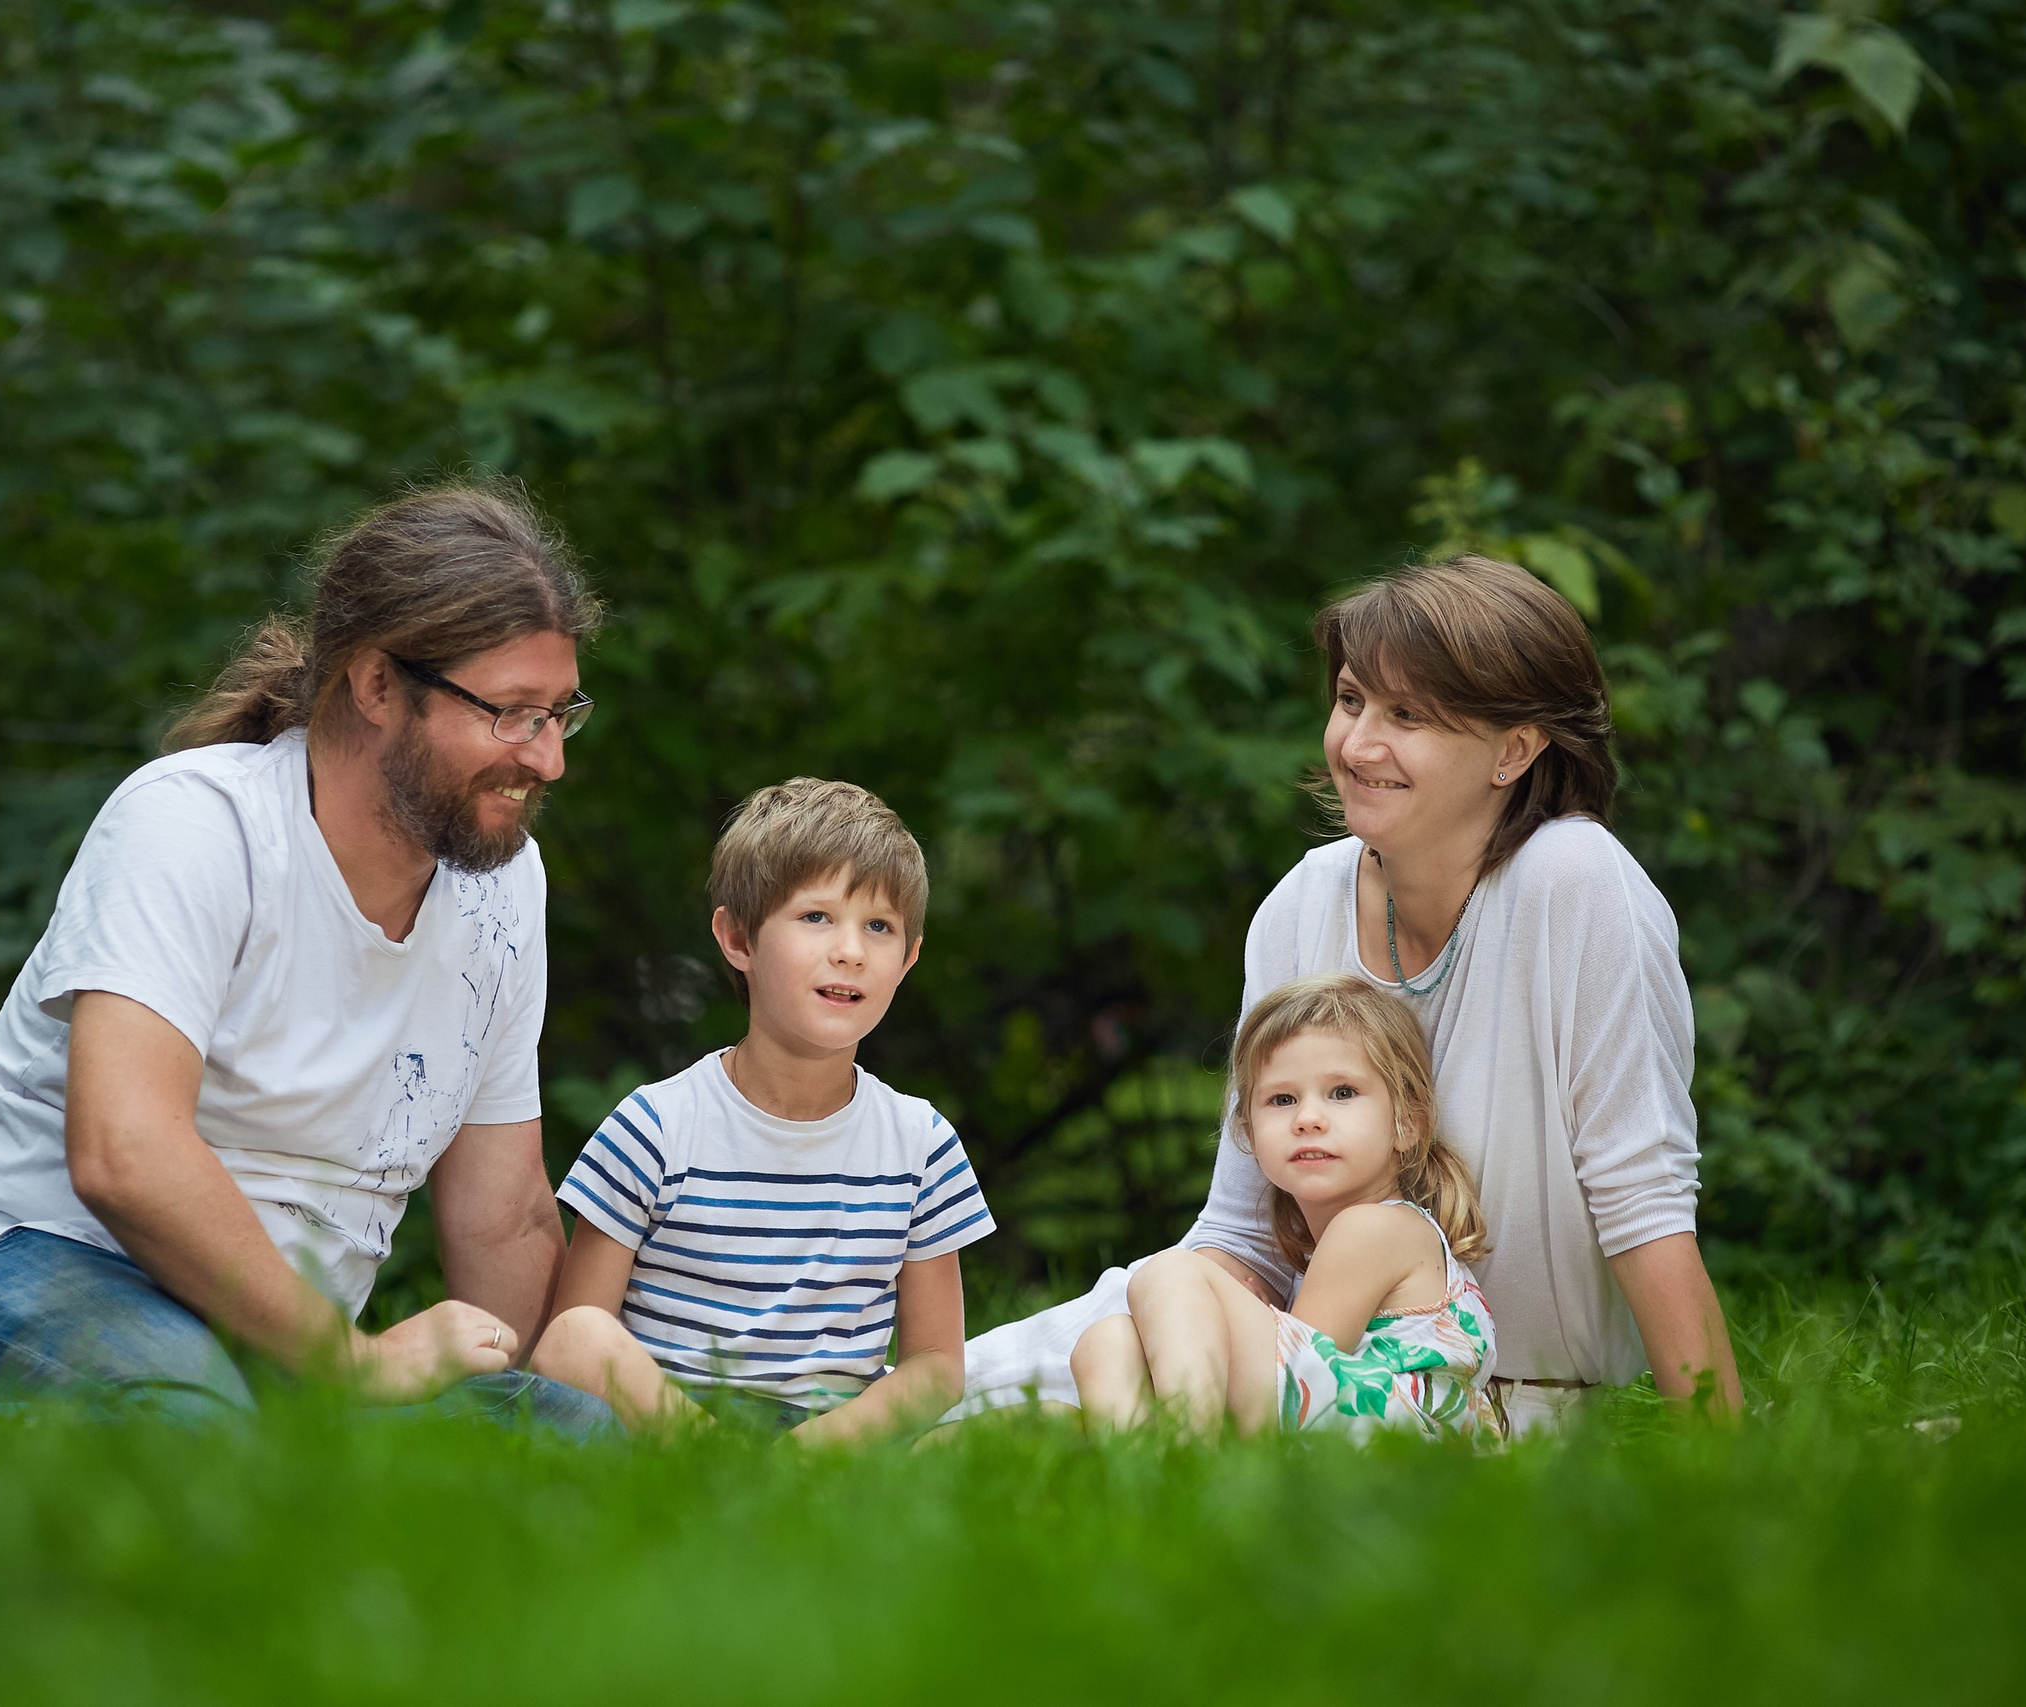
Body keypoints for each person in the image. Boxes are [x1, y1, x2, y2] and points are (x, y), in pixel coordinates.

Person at [0, 481, 615, 1432]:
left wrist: (527, 1391)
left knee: (573, 1437)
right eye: (511, 714)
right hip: (26, 1262)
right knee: (188, 1419)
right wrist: (349, 1361)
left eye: (559, 714)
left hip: (280, 1352)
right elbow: (123, 1153)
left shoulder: (503, 887)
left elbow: (502, 1215)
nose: (548, 761)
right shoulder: (195, 822)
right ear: (377, 685)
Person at [959, 555, 1742, 1434]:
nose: (1359, 744)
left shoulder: (1575, 882)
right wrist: (1172, 1330)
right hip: (1295, 1352)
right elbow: (1244, 1226)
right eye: (1351, 700)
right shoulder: (1302, 903)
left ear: (1515, 750)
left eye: (1408, 715)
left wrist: (1732, 1449)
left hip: (1479, 1396)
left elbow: (1643, 1196)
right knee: (967, 1393)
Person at [530, 779, 995, 1444]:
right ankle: (722, 1470)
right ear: (738, 938)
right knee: (567, 1356)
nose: (851, 950)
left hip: (833, 1436)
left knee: (1029, 1428)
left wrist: (811, 1456)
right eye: (815, 917)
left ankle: (768, 1482)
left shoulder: (920, 1144)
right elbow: (572, 1342)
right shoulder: (655, 1127)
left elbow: (936, 1365)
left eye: (879, 926)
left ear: (909, 958)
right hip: (663, 1425)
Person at [1073, 975, 1498, 1440]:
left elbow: (1299, 1375)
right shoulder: (1331, 1243)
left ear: (1407, 1124)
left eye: (1342, 1093)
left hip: (1412, 1455)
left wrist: (1250, 1324)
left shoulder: (1376, 1229)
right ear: (1250, 1135)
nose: (1308, 1119)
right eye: (1282, 1099)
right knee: (1105, 1343)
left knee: (1171, 1271)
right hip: (1347, 1432)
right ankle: (1147, 1492)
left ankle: (1187, 1462)